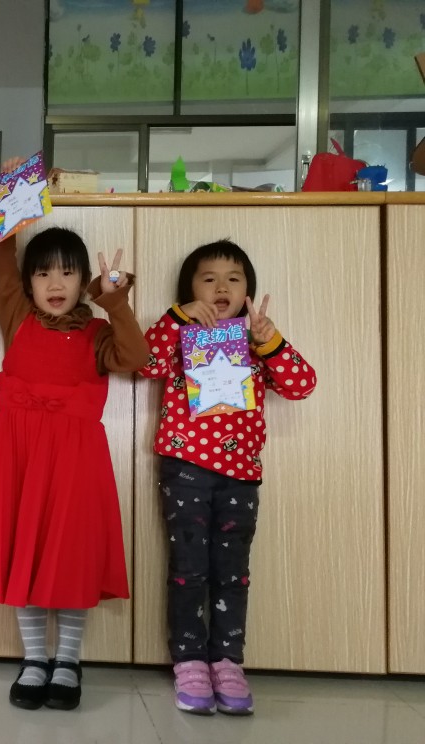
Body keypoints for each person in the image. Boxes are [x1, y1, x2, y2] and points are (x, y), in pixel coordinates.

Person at [0, 205, 149, 711]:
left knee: (70, 556)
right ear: (28, 283)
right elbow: (1, 254)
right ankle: (35, 658)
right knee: (25, 551)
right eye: (42, 273)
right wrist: (11, 194)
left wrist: (115, 303)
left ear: (84, 281)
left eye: (68, 272)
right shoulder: (17, 316)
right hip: (15, 452)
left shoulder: (99, 333)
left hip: (76, 460)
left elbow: (136, 358)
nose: (55, 283)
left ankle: (68, 660)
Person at [139, 240, 317, 716]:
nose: (221, 287)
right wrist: (176, 318)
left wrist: (270, 342)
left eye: (233, 279)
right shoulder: (179, 336)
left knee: (233, 573)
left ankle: (227, 662)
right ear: (190, 290)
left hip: (241, 476)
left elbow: (302, 385)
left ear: (247, 293)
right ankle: (189, 661)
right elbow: (144, 362)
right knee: (189, 570)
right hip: (185, 470)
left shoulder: (256, 344)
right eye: (209, 278)